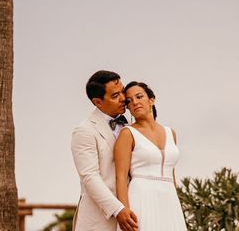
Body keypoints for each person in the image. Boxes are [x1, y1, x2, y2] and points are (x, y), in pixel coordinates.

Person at [114, 81, 188, 231]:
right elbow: (120, 177)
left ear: (151, 100)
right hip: (141, 197)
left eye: (139, 96)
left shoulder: (170, 133)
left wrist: (177, 203)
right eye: (129, 101)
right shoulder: (127, 134)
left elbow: (172, 174)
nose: (135, 102)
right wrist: (124, 210)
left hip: (169, 199)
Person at [71, 70, 139, 231]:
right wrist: (118, 209)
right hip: (99, 221)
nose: (123, 98)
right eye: (115, 96)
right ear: (97, 102)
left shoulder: (132, 127)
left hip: (135, 215)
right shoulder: (84, 130)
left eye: (122, 91)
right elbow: (90, 177)